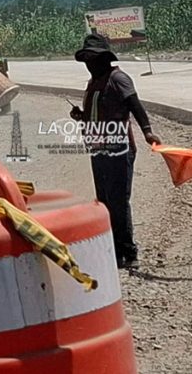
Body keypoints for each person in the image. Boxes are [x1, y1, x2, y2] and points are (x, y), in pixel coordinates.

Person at [69, 33, 163, 269]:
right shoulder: (94, 83)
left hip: (119, 149)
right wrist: (81, 116)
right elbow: (95, 114)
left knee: (119, 201)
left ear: (104, 59)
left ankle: (129, 253)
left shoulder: (118, 78)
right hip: (98, 148)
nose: (89, 64)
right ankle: (113, 252)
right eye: (87, 60)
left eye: (93, 59)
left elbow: (135, 105)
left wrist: (148, 131)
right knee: (104, 200)